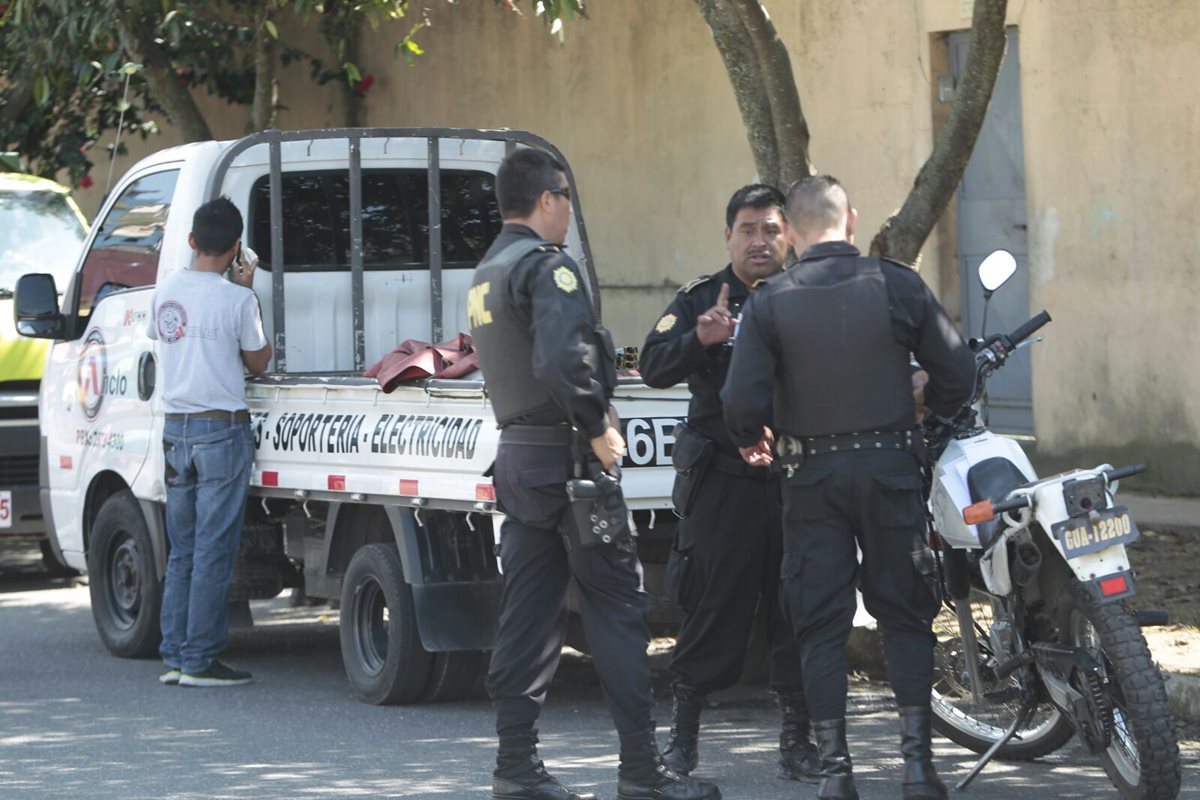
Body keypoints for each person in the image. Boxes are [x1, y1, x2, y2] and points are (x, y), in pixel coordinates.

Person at [468, 148, 720, 800]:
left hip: (520, 462)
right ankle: (642, 771)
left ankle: (516, 767)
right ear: (548, 199)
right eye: (566, 200)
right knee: (616, 611)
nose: (568, 214)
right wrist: (596, 426)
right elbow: (561, 363)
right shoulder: (549, 270)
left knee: (527, 615)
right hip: (570, 464)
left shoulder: (487, 270)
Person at [721, 175, 975, 800]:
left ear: (793, 234)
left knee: (820, 621)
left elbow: (740, 399)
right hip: (891, 470)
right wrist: (929, 407)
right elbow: (957, 371)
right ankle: (919, 769)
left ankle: (837, 774)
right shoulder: (897, 283)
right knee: (906, 614)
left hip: (811, 478)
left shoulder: (771, 300)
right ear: (851, 222)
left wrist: (752, 435)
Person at [639, 184, 818, 781]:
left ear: (787, 234)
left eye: (770, 229)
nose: (759, 240)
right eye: (747, 229)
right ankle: (682, 743)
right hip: (723, 483)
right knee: (714, 608)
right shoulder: (699, 298)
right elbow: (655, 365)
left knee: (798, 607)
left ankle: (798, 744)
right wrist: (702, 338)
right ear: (728, 236)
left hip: (793, 480)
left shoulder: (806, 294)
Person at [149, 197, 272, 688]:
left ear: (192, 240)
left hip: (175, 430)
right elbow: (257, 361)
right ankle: (200, 659)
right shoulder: (238, 299)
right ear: (237, 248)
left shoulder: (165, 291)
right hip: (221, 430)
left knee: (182, 550)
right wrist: (247, 290)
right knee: (213, 550)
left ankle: (175, 655)